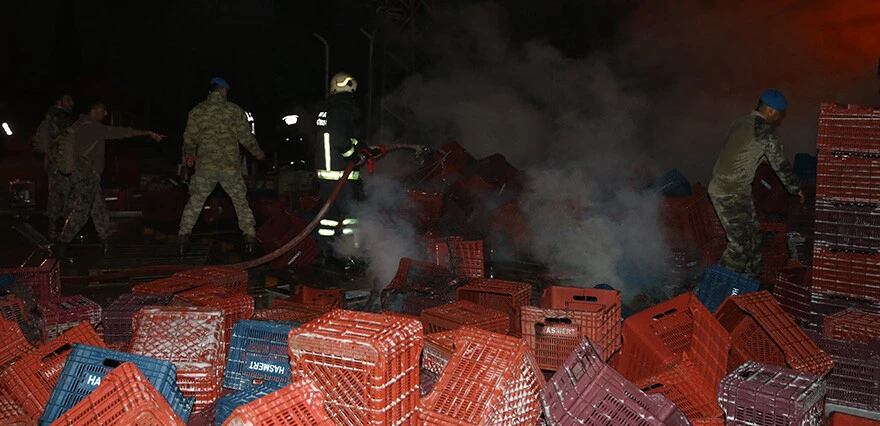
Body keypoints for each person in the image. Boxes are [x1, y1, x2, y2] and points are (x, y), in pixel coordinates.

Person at [708, 89, 805, 279]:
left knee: (755, 236)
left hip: (733, 189)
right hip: (730, 191)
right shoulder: (765, 130)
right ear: (771, 110)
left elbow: (741, 150)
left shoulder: (741, 122)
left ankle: (748, 281)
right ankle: (716, 286)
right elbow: (780, 165)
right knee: (740, 244)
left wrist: (763, 159)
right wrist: (796, 188)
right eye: (779, 115)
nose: (779, 119)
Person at [54, 99, 166, 256]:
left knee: (98, 209)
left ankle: (106, 240)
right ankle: (62, 242)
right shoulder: (92, 126)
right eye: (103, 110)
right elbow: (120, 132)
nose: (105, 113)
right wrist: (147, 132)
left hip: (82, 175)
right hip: (87, 176)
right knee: (82, 211)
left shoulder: (78, 125)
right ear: (93, 110)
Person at [178, 77, 265, 255]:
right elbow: (245, 136)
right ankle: (249, 238)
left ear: (210, 92)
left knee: (195, 201)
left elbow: (189, 138)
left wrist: (190, 154)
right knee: (240, 201)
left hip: (205, 167)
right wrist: (258, 153)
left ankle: (183, 238)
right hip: (229, 167)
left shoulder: (197, 111)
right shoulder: (234, 110)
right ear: (224, 91)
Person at [314, 71, 380, 264]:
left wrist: (363, 147)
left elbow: (339, 136)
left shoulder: (327, 109)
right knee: (352, 218)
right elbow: (341, 141)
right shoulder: (343, 108)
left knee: (329, 217)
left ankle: (325, 253)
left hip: (326, 175)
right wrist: (354, 156)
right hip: (341, 174)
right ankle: (351, 256)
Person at [33, 93, 77, 240]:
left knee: (54, 195)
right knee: (68, 195)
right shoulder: (62, 117)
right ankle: (65, 232)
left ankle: (52, 229)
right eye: (68, 100)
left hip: (51, 162)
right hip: (61, 162)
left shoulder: (49, 117)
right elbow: (68, 139)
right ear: (59, 101)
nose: (71, 103)